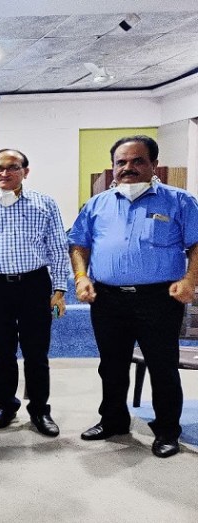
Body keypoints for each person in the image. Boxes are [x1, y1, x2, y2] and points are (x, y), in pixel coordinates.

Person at [69, 135, 198, 458]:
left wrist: (189, 280)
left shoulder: (179, 201)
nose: (128, 167)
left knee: (162, 366)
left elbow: (197, 244)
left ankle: (167, 429)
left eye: (138, 161)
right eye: (121, 162)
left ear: (154, 164)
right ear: (113, 167)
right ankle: (113, 420)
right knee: (111, 365)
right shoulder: (97, 204)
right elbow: (79, 244)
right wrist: (81, 278)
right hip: (107, 299)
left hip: (159, 299)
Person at [0, 148, 68, 437]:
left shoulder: (44, 204)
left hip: (34, 285)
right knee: (3, 353)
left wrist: (60, 289)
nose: (5, 173)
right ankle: (6, 407)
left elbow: (58, 247)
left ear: (25, 171)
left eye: (12, 167)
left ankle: (39, 410)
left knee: (37, 353)